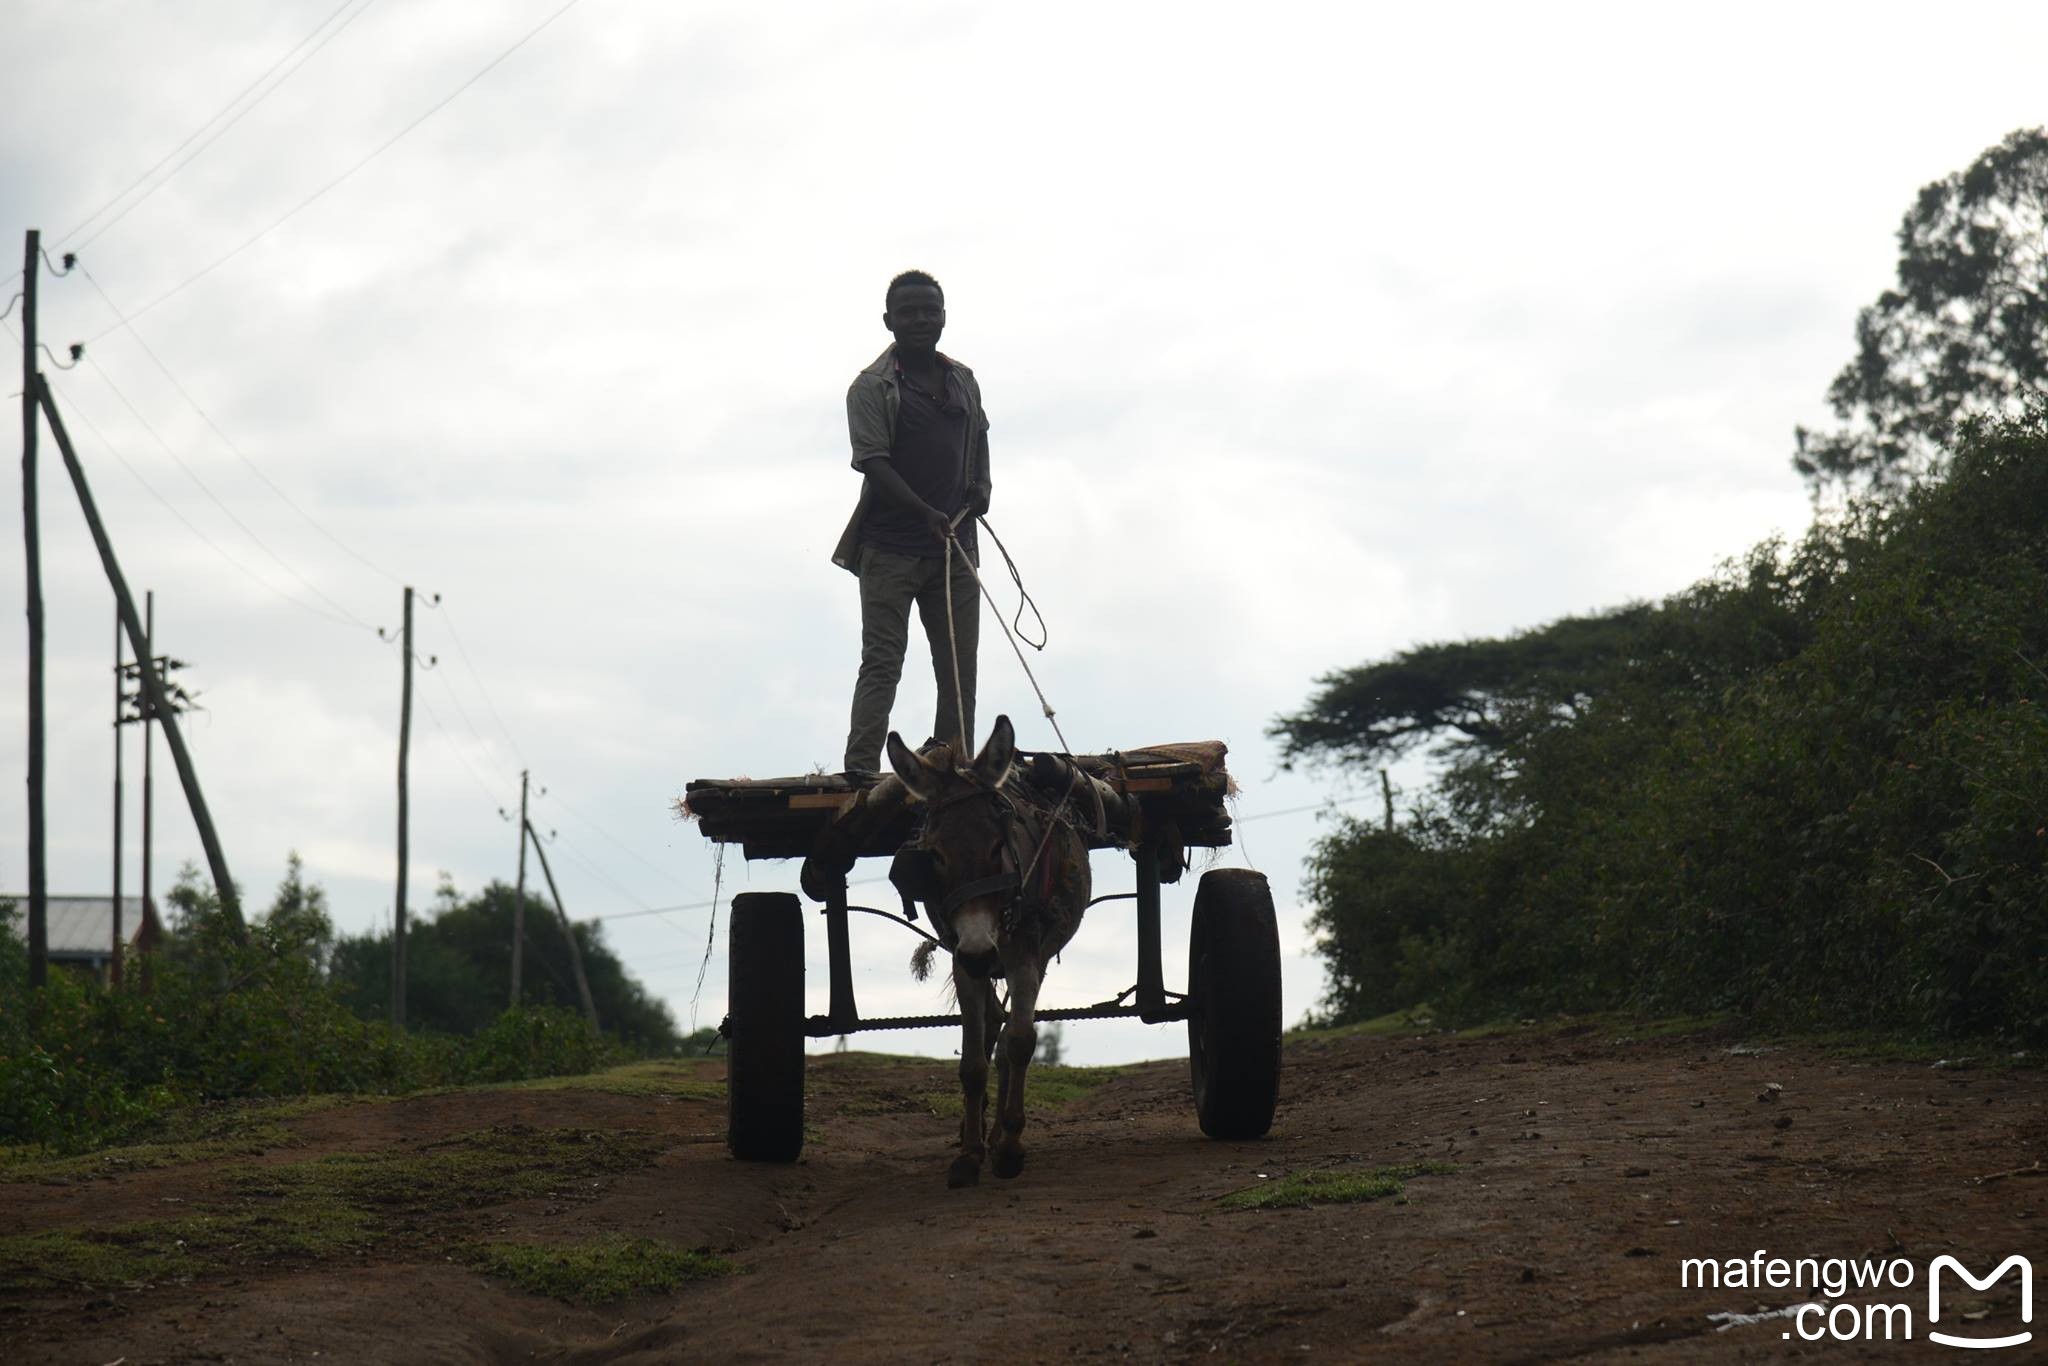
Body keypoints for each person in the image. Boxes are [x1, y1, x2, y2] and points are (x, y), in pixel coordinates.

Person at [834, 269, 991, 776]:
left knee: (958, 665)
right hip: (890, 548)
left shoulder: (962, 379)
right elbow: (873, 463)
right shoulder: (872, 387)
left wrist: (982, 487)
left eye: (930, 310)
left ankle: (952, 761)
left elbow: (980, 437)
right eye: (909, 312)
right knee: (883, 660)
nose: (921, 320)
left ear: (944, 317)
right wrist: (924, 512)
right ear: (889, 321)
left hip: (954, 549)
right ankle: (860, 768)